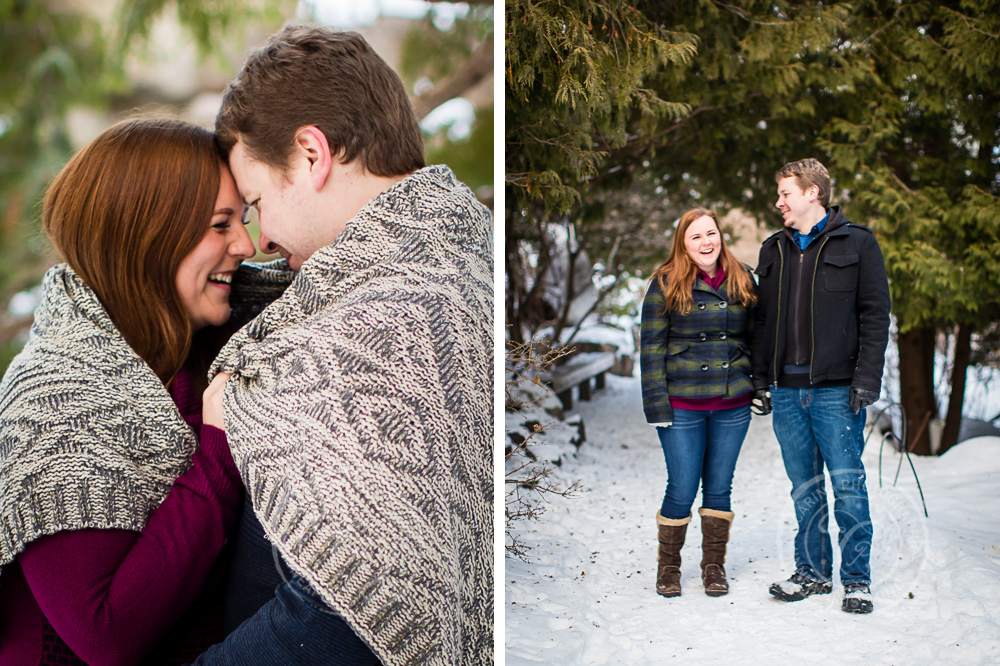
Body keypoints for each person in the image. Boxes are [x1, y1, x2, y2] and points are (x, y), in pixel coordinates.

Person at [191, 25, 493, 666]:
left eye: (255, 202)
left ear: (310, 154)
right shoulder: (453, 262)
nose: (260, 239)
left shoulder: (389, 317)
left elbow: (358, 611)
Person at [0, 117, 270, 663]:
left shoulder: (201, 351)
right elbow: (106, 635)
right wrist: (218, 445)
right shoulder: (55, 399)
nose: (247, 244)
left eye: (243, 219)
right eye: (221, 225)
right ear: (148, 238)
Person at [751, 158, 890, 614]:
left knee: (848, 486)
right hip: (787, 391)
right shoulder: (773, 249)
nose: (779, 203)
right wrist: (760, 379)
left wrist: (868, 378)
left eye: (785, 193)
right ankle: (811, 572)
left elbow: (875, 315)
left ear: (813, 192)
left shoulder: (858, 243)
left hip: (837, 390)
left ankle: (856, 580)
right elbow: (762, 321)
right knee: (804, 486)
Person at [639, 207, 759, 599]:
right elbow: (651, 348)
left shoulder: (743, 277)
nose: (706, 242)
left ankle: (713, 567)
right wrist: (656, 406)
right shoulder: (665, 282)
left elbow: (756, 338)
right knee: (682, 485)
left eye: (712, 233)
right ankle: (669, 568)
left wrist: (757, 386)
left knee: (720, 488)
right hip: (682, 403)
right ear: (683, 244)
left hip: (732, 402)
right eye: (696, 237)